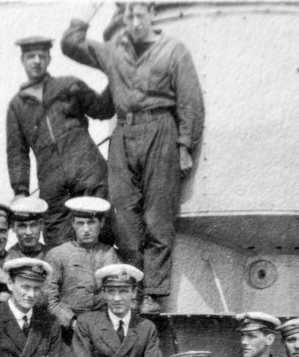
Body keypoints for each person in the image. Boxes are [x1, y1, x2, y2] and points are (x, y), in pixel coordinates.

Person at [61, 3, 205, 315]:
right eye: (129, 15)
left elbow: (191, 101)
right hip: (124, 133)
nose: (135, 22)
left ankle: (153, 292)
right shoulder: (114, 51)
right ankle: (131, 287)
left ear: (151, 13)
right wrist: (93, 5)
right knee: (123, 215)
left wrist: (184, 146)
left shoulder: (173, 50)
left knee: (157, 216)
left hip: (160, 131)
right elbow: (70, 43)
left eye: (140, 14)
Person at [6, 36, 114, 248]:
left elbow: (102, 109)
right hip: (52, 181)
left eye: (41, 56)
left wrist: (115, 75)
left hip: (89, 172)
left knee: (102, 231)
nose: (36, 61)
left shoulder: (69, 86)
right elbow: (17, 152)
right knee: (57, 241)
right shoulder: (17, 106)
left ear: (48, 59)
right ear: (22, 60)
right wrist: (20, 190)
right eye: (31, 56)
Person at [44, 197, 120, 336]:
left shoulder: (110, 253)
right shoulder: (57, 254)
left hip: (103, 327)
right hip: (68, 329)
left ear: (101, 222)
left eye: (91, 222)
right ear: (73, 223)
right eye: (80, 223)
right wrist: (73, 322)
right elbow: (50, 301)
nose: (86, 229)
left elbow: (119, 291)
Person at [6, 196, 49, 261]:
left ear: (41, 225)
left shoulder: (52, 255)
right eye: (22, 226)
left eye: (33, 225)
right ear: (13, 227)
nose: (28, 232)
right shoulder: (7, 258)